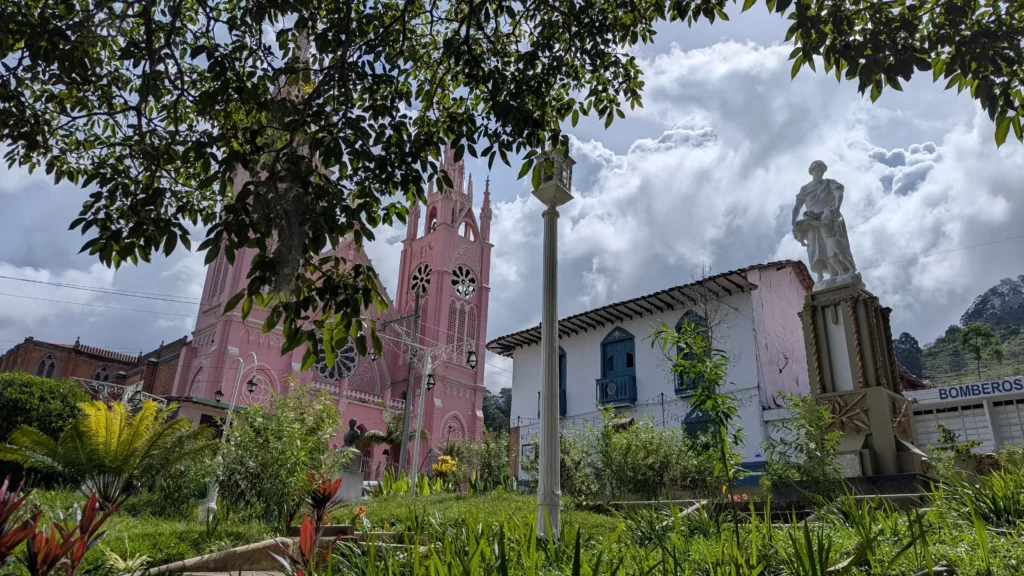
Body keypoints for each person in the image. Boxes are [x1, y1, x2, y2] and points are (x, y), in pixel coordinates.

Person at [792, 160, 857, 283]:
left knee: (834, 246)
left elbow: (839, 194)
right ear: (811, 171)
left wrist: (837, 209)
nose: (819, 171)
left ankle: (842, 271)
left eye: (821, 169)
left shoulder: (830, 183)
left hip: (829, 218)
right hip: (811, 221)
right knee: (814, 248)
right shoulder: (805, 188)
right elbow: (797, 207)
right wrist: (793, 223)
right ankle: (820, 274)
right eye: (816, 169)